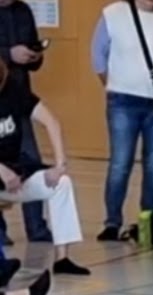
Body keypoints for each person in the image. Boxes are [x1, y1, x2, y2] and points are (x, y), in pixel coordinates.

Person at [91, 0, 153, 242]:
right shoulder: (113, 13)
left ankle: (149, 222)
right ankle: (112, 222)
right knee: (120, 163)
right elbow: (97, 55)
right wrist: (112, 85)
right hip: (123, 101)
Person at [0, 58, 89, 276]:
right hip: (3, 173)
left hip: (16, 171)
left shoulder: (14, 91)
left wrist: (60, 165)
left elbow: (51, 122)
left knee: (61, 184)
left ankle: (62, 259)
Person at [0, 0, 51, 244]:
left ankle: (37, 227)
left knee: (31, 162)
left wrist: (34, 55)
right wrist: (9, 53)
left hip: (19, 98)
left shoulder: (23, 10)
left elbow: (34, 52)